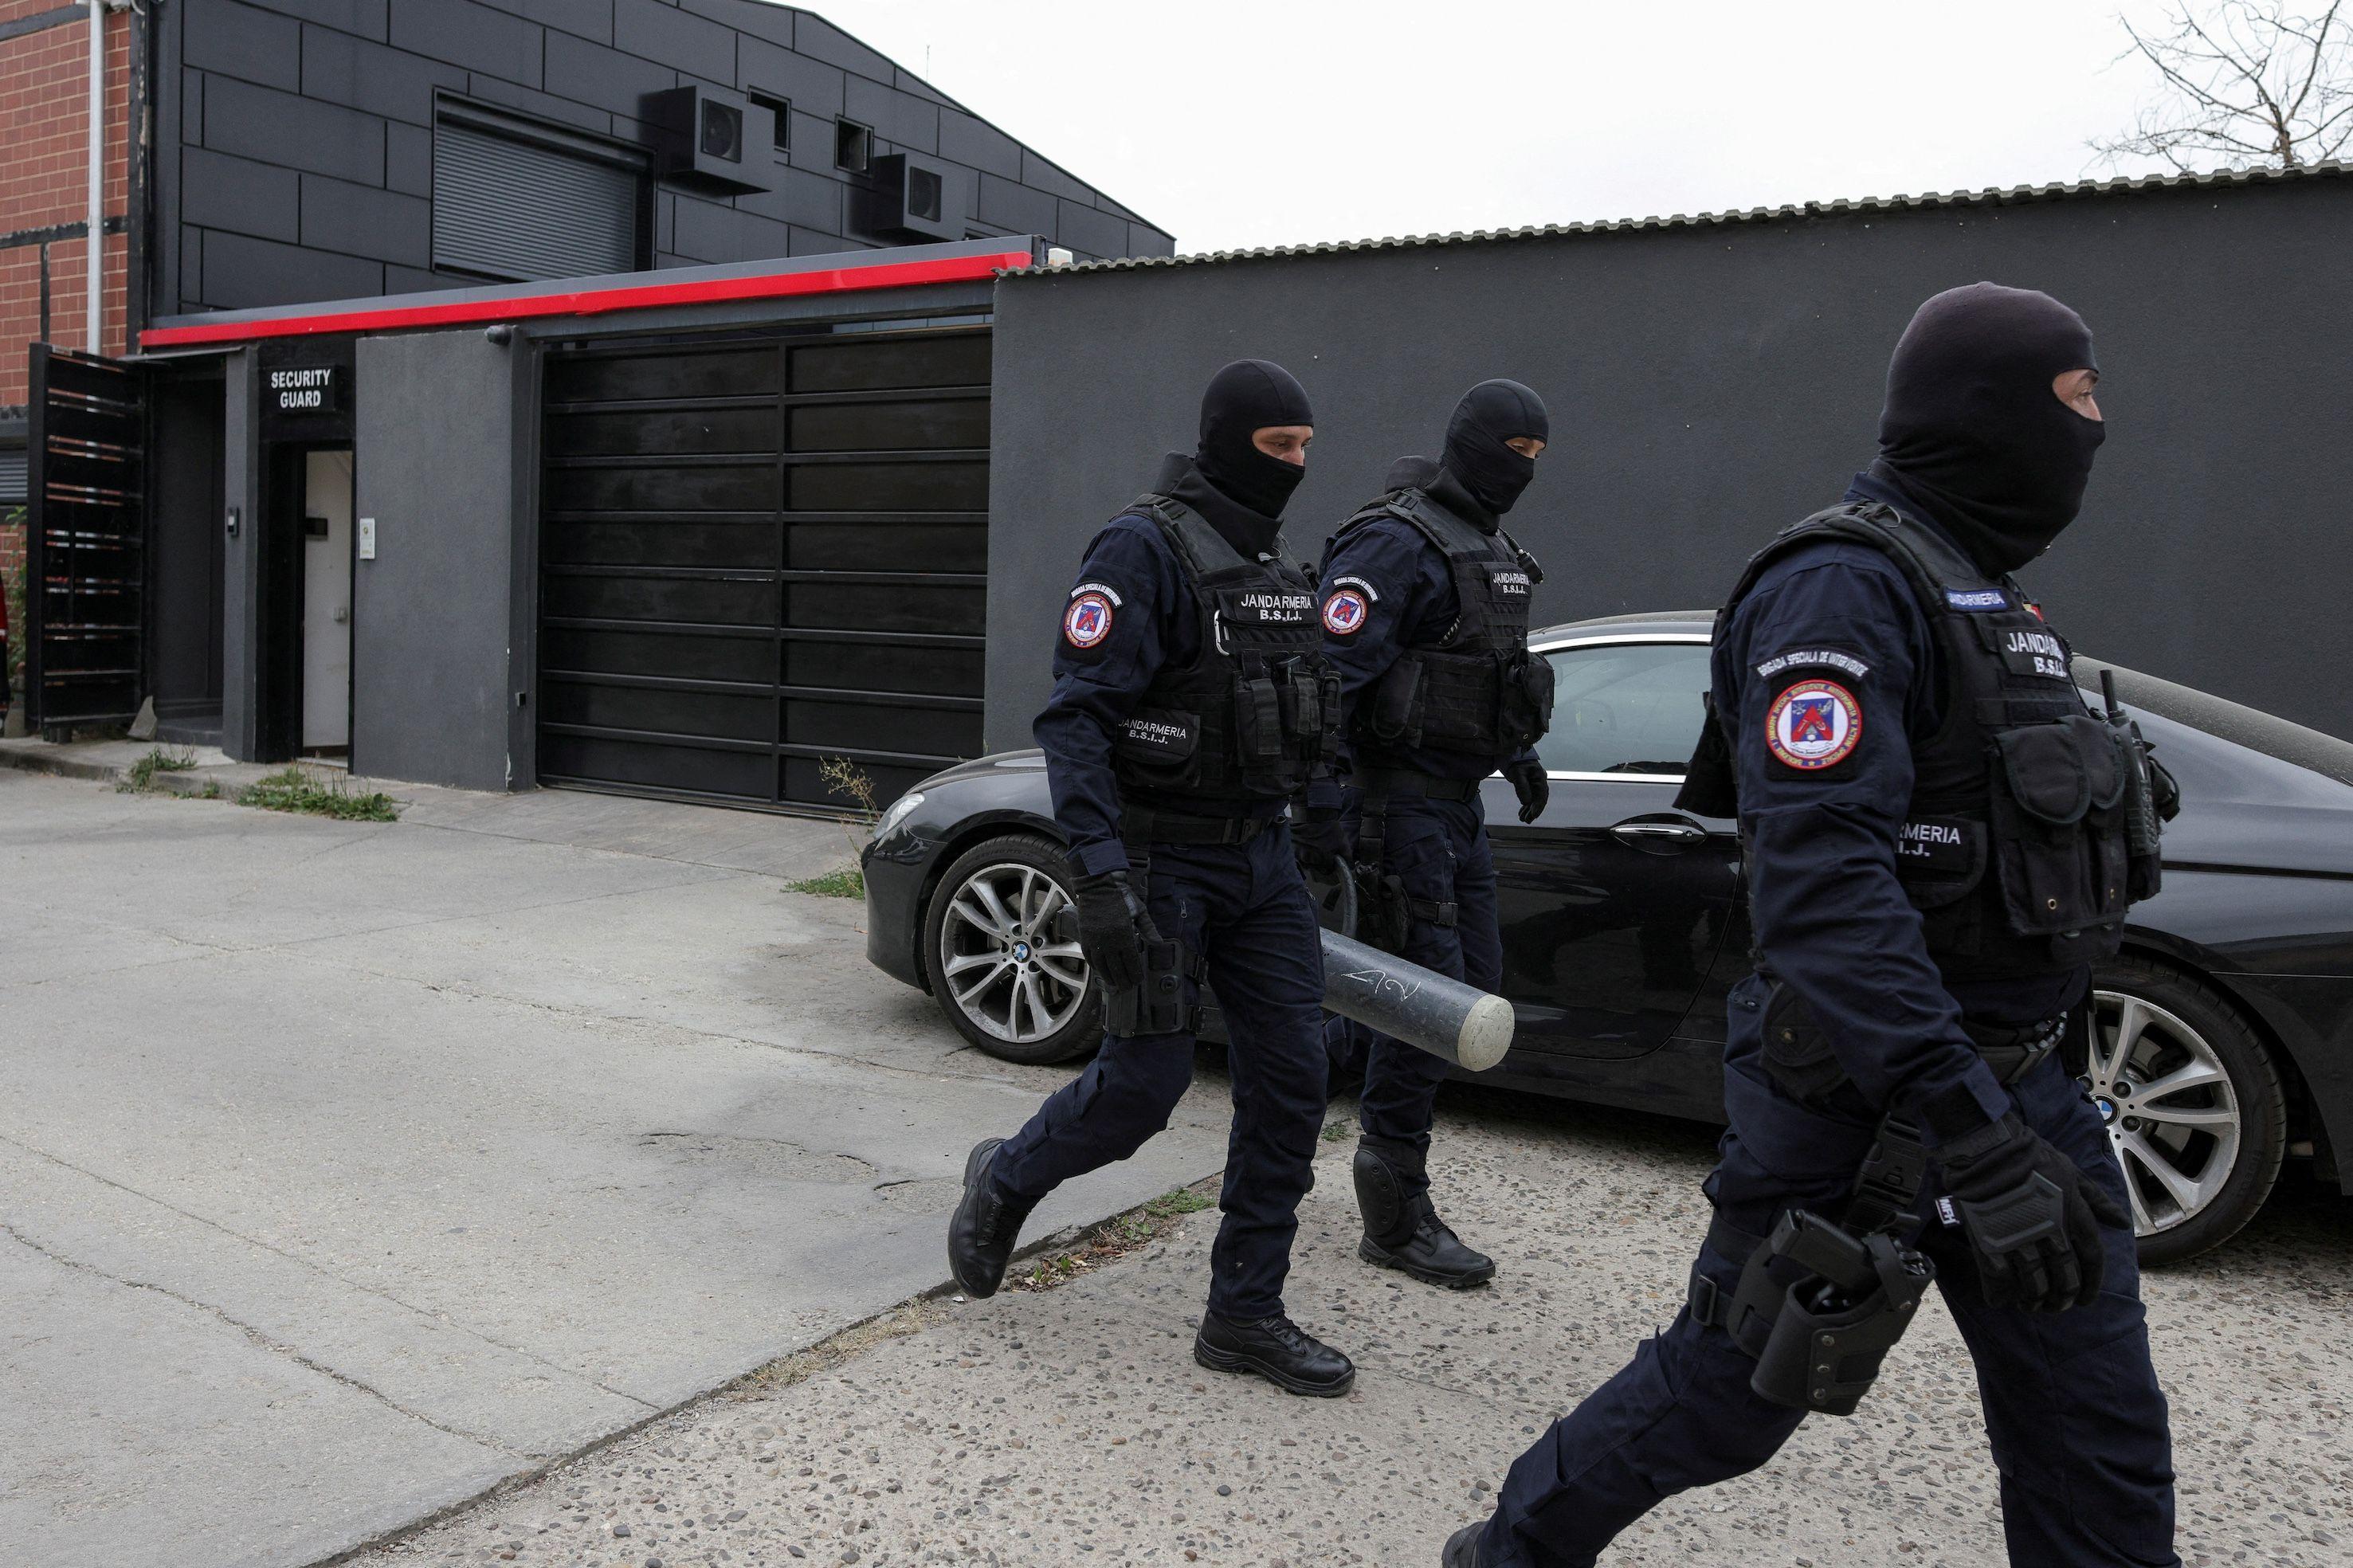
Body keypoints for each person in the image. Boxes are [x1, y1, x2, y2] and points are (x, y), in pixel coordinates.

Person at [1445, 284, 2178, 1566]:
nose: (2099, 428)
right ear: (1985, 410)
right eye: (2079, 399)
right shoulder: (1840, 589)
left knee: (2095, 1438)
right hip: (1873, 1105)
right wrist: (1971, 1135)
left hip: (2025, 1089)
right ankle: (1509, 1550)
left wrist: (2013, 1127)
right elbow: (1824, 894)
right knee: (1731, 1395)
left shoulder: (1992, 602)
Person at [946, 359, 1357, 1397]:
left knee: (1294, 1083)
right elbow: (1074, 721)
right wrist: (1099, 875)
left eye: (1307, 447)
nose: (1298, 464)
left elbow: (1295, 709)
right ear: (1226, 440)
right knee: (1142, 1087)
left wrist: (1320, 835)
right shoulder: (1143, 548)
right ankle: (1003, 1179)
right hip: (1163, 855)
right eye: (1279, 447)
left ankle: (1243, 1314)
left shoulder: (1272, 563)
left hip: (1260, 860)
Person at [1301, 381, 1554, 1290]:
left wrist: (1516, 752)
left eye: (1537, 455)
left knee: (1466, 993)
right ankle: (1392, 1204)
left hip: (1455, 803)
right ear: (1469, 443)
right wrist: (1325, 802)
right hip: (1394, 808)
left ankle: (1313, 1115)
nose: (1523, 468)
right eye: (1512, 449)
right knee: (1431, 999)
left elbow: (1490, 672)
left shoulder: (1492, 548)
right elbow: (1329, 683)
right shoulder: (1395, 541)